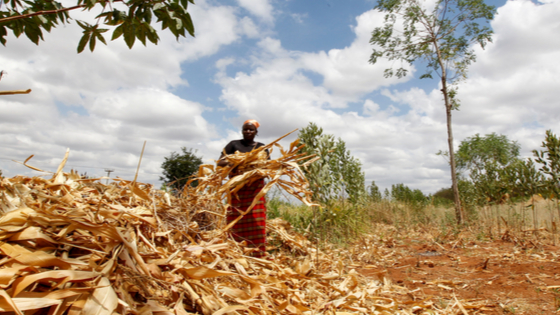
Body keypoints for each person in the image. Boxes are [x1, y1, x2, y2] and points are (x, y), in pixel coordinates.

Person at [217, 119, 269, 258]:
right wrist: (239, 161)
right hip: (237, 187)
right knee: (236, 215)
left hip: (255, 187)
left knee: (256, 218)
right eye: (245, 129)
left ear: (256, 132)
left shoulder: (261, 147)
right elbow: (220, 162)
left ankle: (258, 250)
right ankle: (235, 248)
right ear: (242, 131)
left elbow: (267, 165)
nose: (248, 131)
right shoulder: (233, 145)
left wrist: (254, 166)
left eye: (251, 129)